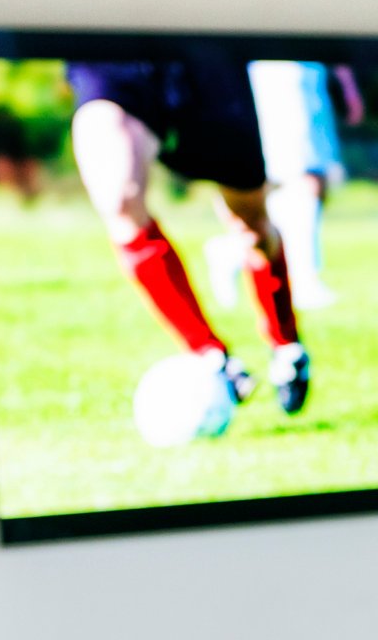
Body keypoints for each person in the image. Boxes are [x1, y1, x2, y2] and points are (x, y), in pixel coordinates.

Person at [67, 54, 310, 420]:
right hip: (108, 57)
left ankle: (286, 344)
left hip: (199, 60)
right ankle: (213, 358)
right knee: (118, 200)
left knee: (252, 227)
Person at [210, 59, 361, 312]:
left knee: (309, 182)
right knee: (305, 179)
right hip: (282, 70)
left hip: (309, 71)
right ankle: (303, 280)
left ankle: (232, 251)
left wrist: (345, 79)